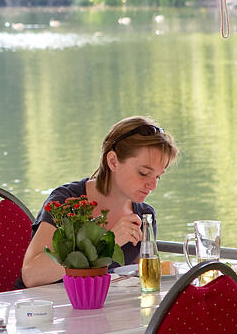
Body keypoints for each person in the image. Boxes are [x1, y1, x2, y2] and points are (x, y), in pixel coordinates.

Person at [21, 117, 178, 288]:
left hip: (104, 310)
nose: (153, 185)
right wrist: (105, 243)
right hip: (47, 311)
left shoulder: (144, 217)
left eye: (158, 177)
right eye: (143, 173)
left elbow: (137, 283)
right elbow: (31, 275)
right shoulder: (67, 201)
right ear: (113, 161)